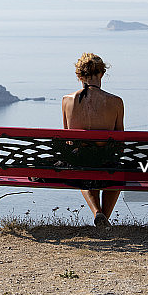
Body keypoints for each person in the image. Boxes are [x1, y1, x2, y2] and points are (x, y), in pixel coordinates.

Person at [61, 53, 124, 228]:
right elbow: (120, 141)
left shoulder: (67, 101)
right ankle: (104, 219)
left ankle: (98, 213)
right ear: (102, 74)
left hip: (79, 163)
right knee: (113, 169)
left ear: (79, 76)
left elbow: (68, 140)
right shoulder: (115, 102)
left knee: (84, 165)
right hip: (106, 163)